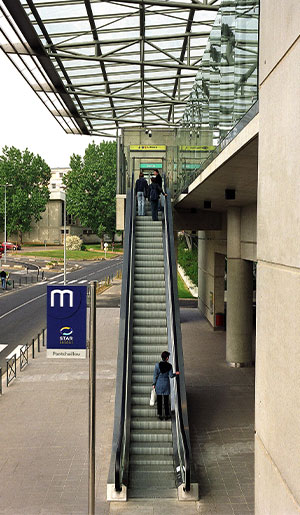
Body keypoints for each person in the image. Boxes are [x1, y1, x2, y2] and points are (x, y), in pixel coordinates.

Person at [152, 351, 180, 421]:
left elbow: (155, 375)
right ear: (167, 358)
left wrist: (154, 384)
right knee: (166, 400)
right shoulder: (169, 366)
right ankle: (167, 415)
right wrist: (176, 374)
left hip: (159, 383)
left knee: (159, 400)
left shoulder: (157, 365)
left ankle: (160, 414)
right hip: (166, 384)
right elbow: (171, 375)